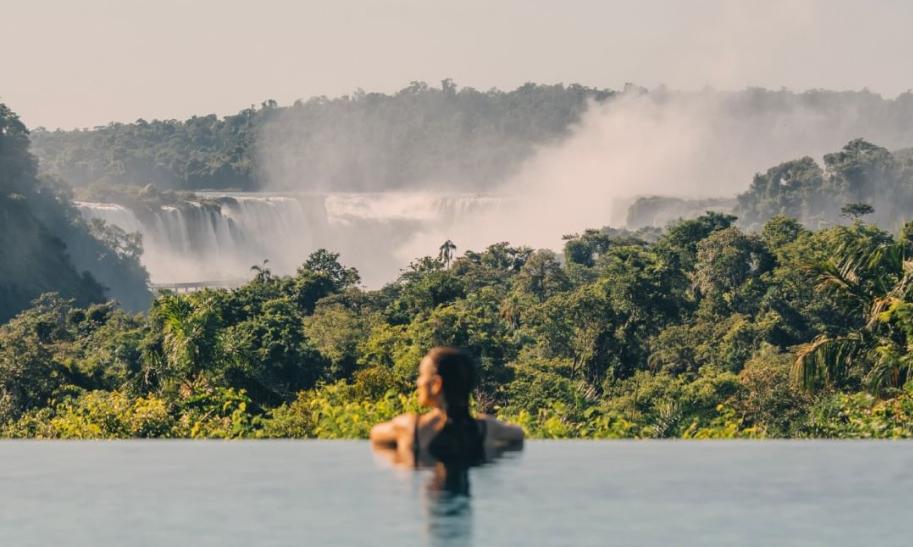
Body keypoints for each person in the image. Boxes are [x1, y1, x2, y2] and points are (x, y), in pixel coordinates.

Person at [370, 346, 524, 467]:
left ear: (436, 385)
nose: (418, 382)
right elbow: (518, 433)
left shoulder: (411, 427)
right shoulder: (487, 428)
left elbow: (375, 433)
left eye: (421, 375)